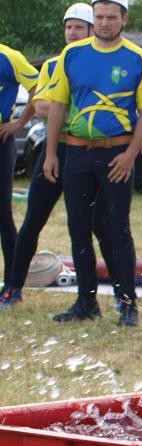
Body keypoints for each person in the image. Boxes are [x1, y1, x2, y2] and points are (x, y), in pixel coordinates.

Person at [40, 0, 142, 327]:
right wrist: (51, 153)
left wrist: (130, 155)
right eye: (100, 17)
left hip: (116, 154)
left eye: (111, 17)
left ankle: (128, 303)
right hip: (77, 153)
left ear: (124, 18)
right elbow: (57, 106)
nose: (105, 23)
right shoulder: (72, 54)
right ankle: (86, 301)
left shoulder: (137, 57)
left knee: (117, 229)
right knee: (78, 228)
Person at [2, 3, 112, 310]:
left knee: (97, 226)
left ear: (91, 30)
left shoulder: (103, 63)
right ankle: (13, 287)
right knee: (33, 220)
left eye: (78, 27)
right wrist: (79, 109)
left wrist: (63, 107)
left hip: (88, 152)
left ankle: (114, 294)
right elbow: (41, 107)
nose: (72, 33)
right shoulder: (53, 65)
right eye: (69, 27)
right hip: (56, 149)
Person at [0, 42, 39, 302]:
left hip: (2, 140)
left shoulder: (10, 57)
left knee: (2, 213)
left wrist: (19, 124)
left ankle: (12, 284)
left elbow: (39, 89)